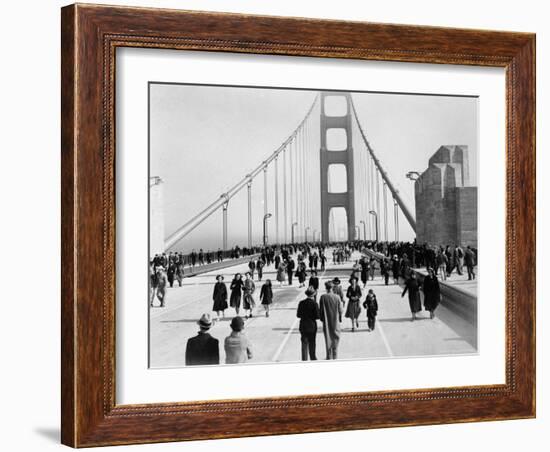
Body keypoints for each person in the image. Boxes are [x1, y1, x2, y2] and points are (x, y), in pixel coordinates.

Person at [319, 281, 343, 360]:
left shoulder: (323, 297)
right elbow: (341, 310)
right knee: (336, 339)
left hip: (327, 322)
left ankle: (329, 357)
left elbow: (321, 311)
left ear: (326, 288)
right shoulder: (337, 297)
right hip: (335, 322)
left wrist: (322, 319)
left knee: (328, 340)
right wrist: (339, 318)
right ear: (332, 288)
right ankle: (335, 357)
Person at [297, 288, 320, 361]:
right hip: (312, 326)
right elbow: (317, 316)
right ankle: (313, 358)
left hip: (303, 325)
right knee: (312, 343)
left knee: (304, 344)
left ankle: (304, 359)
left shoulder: (301, 303)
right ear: (313, 294)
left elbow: (298, 315)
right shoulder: (314, 304)